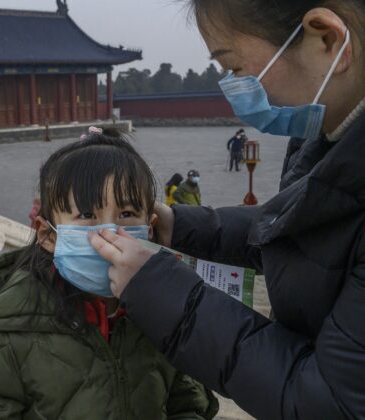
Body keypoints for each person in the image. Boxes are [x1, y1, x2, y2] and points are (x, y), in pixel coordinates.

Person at [89, 2, 365, 419]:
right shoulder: (327, 135)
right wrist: (178, 224)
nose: (234, 87)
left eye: (233, 66)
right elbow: (300, 233)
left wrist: (160, 290)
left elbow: (332, 403)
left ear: (326, 39)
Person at [0, 131, 218, 419]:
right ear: (47, 235)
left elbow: (188, 405)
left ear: (149, 229)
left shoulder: (166, 320)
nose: (109, 232)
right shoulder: (9, 336)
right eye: (87, 214)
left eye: (126, 213)